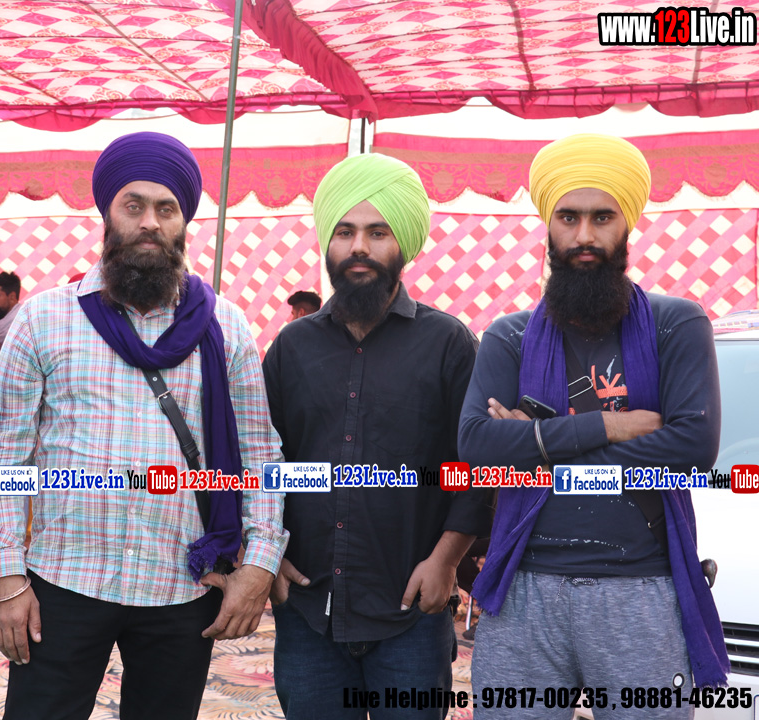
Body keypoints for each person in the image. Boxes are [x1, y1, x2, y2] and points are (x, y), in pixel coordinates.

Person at [0, 131, 288, 720]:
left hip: (183, 585)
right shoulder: (45, 319)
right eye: (134, 205)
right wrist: (5, 579)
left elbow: (260, 457)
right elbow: (2, 458)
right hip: (63, 582)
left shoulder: (226, 327)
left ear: (184, 222)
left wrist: (259, 563)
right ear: (107, 214)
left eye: (166, 208)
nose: (149, 222)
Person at [458, 133, 728, 718]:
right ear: (548, 226)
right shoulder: (509, 335)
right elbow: (477, 446)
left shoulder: (676, 325)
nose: (584, 235)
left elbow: (691, 447)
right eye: (569, 217)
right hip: (524, 590)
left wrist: (535, 445)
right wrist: (609, 426)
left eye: (602, 217)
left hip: (641, 590)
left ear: (626, 224)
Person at [262, 153, 491, 719]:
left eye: (377, 232)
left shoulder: (449, 343)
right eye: (344, 232)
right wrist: (268, 556)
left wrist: (445, 561)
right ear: (328, 243)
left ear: (403, 244)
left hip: (411, 608)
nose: (358, 247)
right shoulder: (291, 348)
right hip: (308, 609)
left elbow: (478, 468)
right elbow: (262, 461)